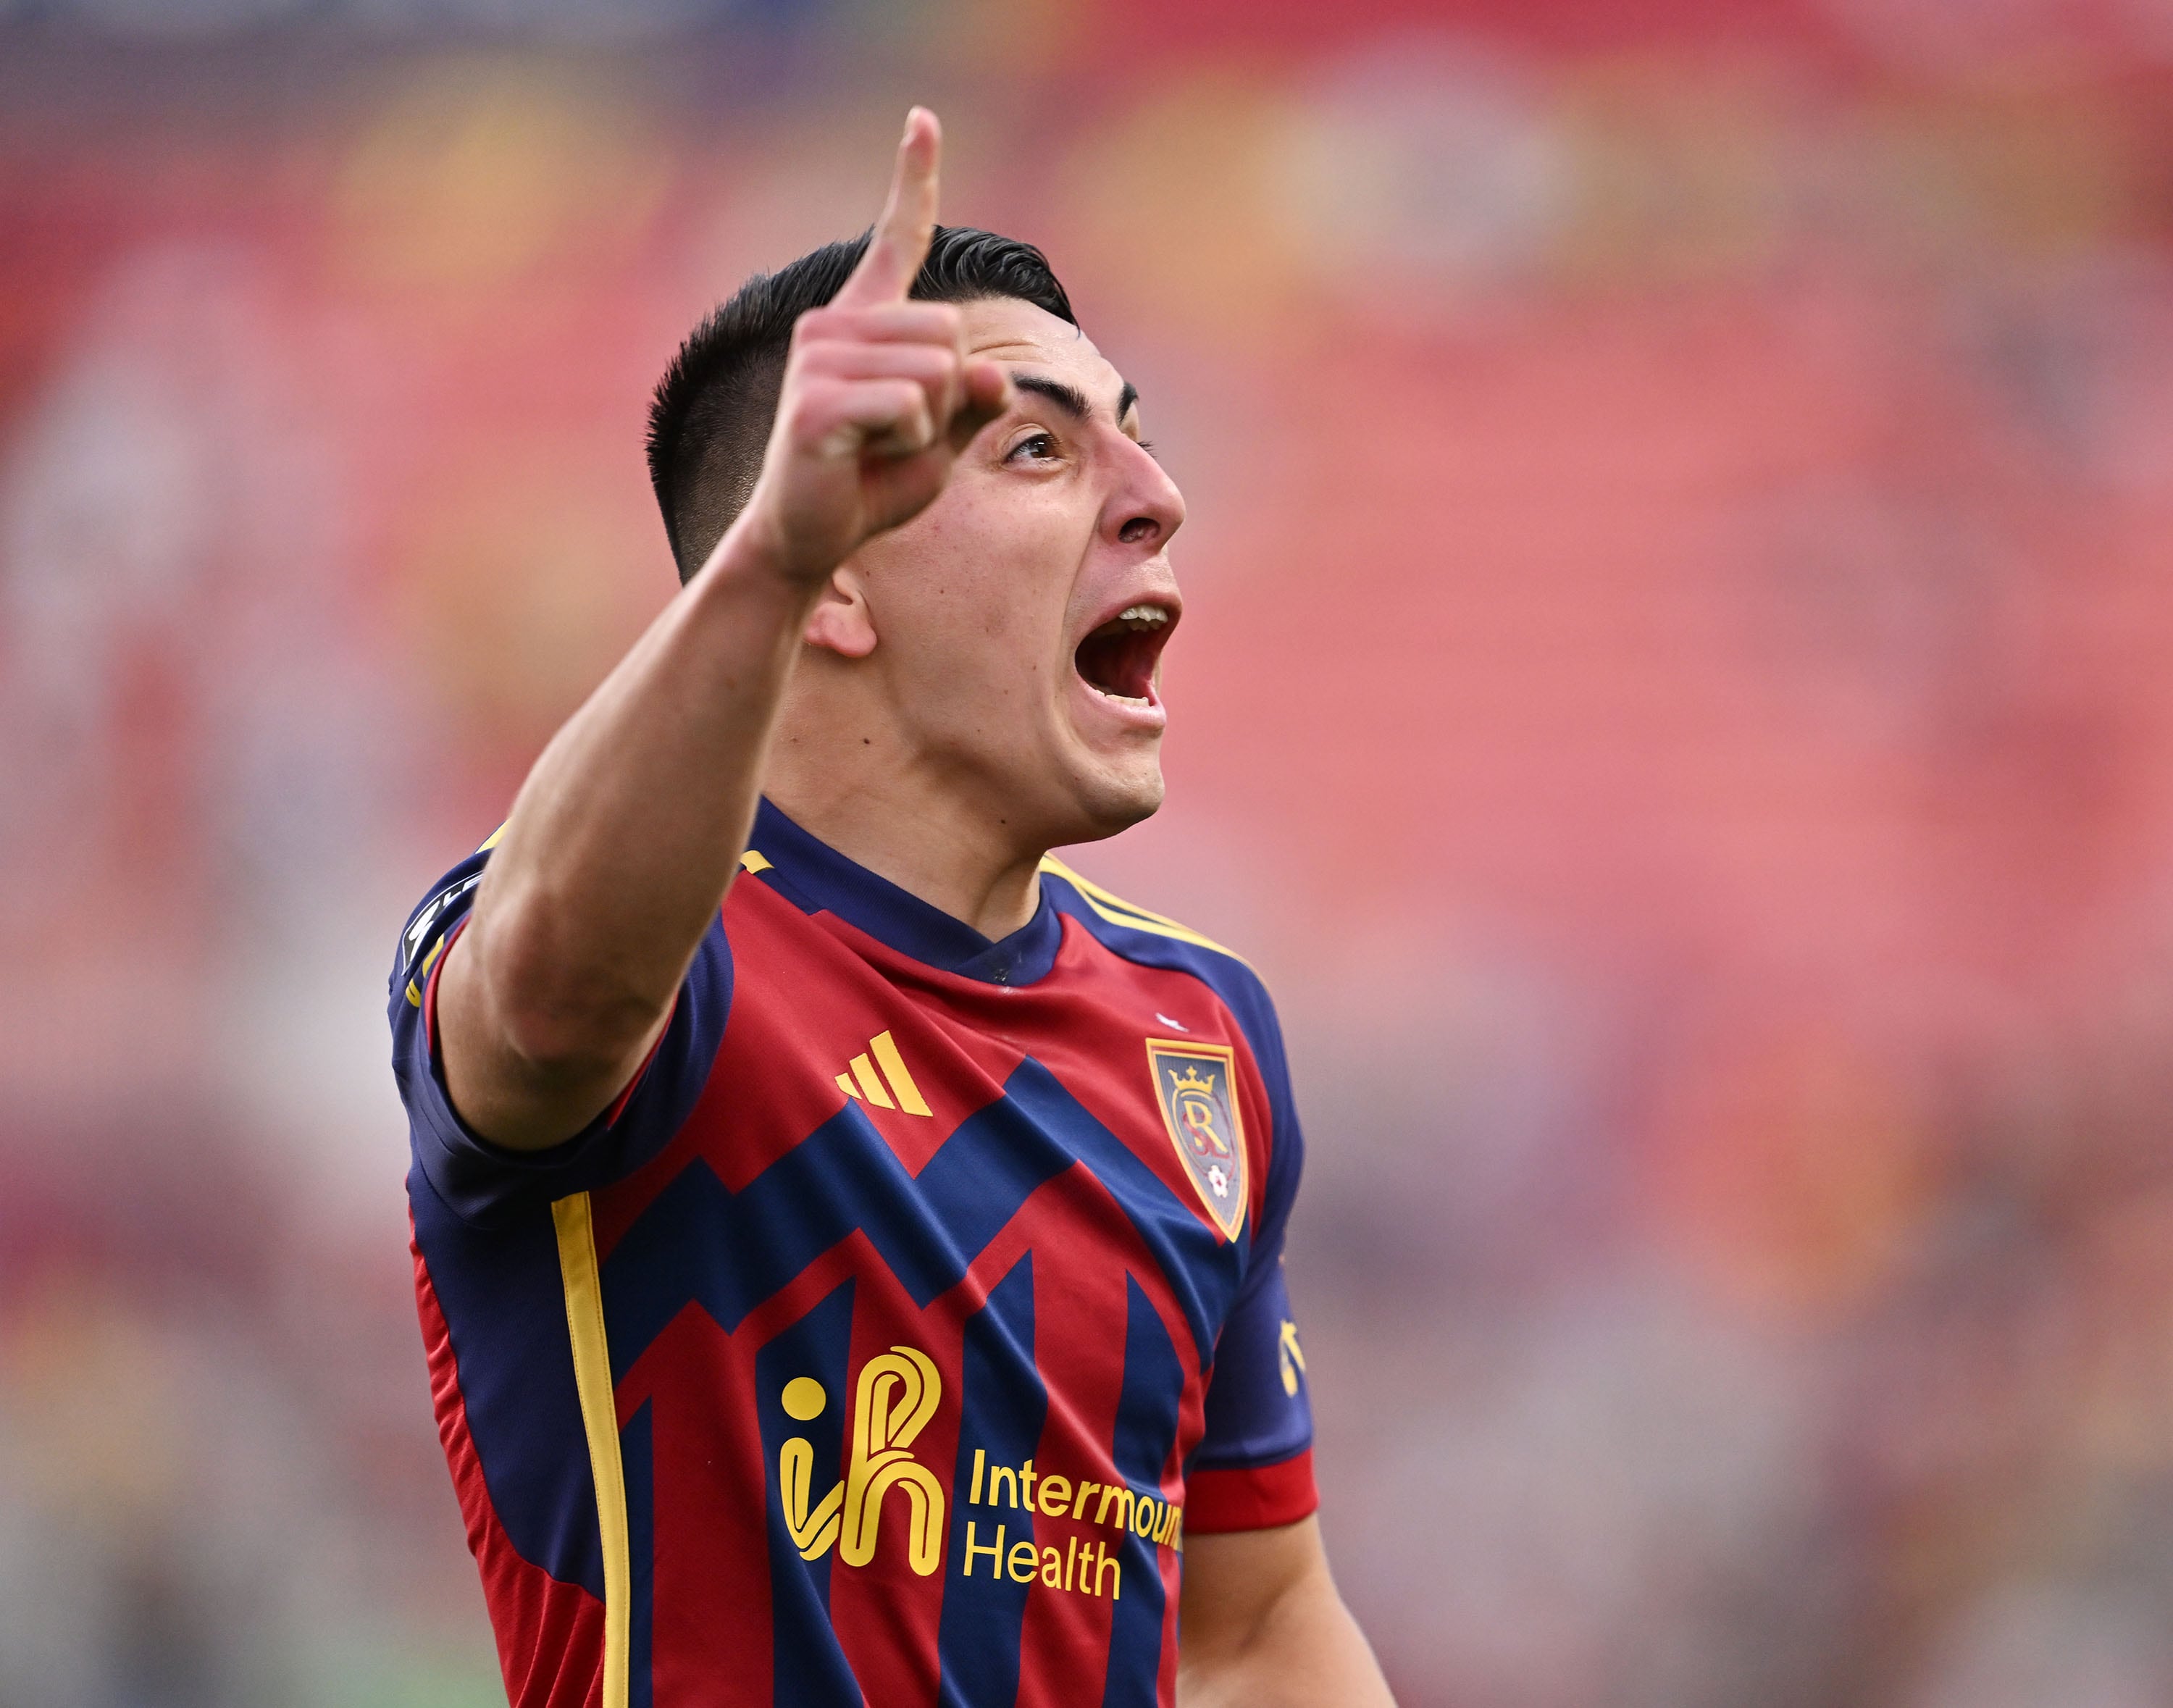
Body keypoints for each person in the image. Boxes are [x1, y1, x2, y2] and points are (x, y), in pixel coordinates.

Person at [388, 108, 1394, 1708]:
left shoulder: (1200, 1031)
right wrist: (771, 559)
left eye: (1138, 437)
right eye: (1040, 449)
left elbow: (1256, 1627)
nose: (1159, 495)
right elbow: (551, 995)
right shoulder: (659, 965)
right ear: (839, 576)